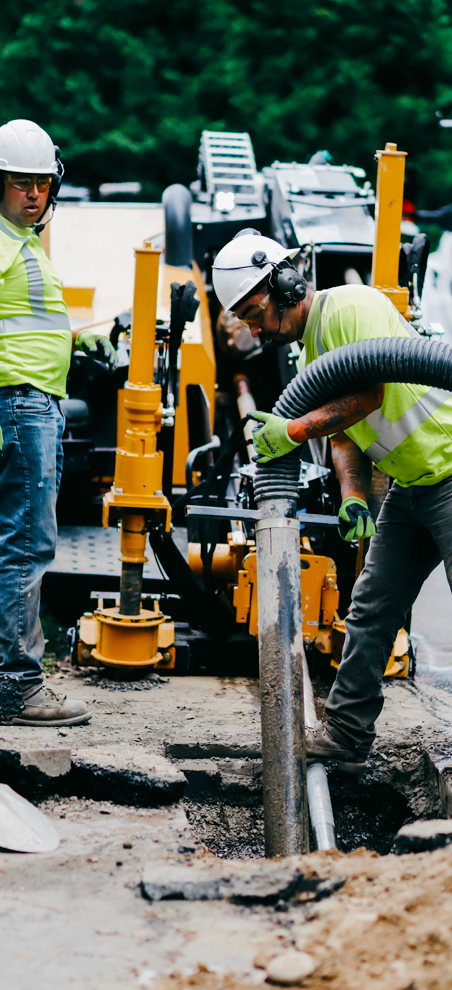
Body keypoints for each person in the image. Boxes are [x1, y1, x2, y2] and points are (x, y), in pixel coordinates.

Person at [212, 230, 452, 772]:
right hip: (411, 487)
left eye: (254, 312)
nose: (253, 328)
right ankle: (346, 734)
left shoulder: (350, 307)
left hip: (450, 469)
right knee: (370, 609)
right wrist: (353, 497)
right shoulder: (312, 351)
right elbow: (345, 434)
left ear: (286, 283)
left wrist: (293, 430)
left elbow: (370, 394)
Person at [0, 119, 117, 726]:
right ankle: (16, 688)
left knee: (17, 542)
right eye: (22, 184)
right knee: (27, 544)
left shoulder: (21, 244)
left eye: (43, 184)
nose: (35, 195)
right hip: (19, 406)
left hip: (32, 402)